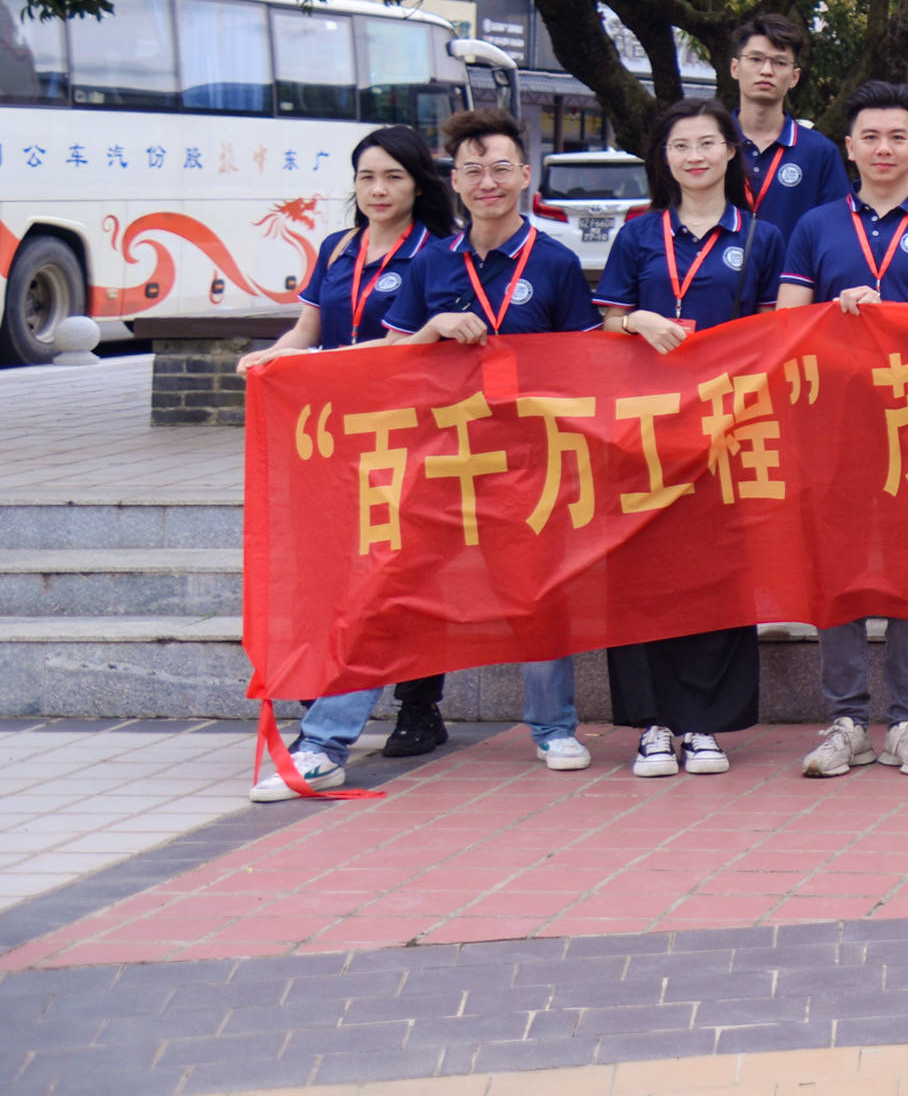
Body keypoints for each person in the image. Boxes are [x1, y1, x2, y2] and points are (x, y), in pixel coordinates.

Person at [775, 81, 908, 781]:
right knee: (836, 572)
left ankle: (907, 720)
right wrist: (833, 314)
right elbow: (785, 326)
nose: (883, 148)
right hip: (834, 425)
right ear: (850, 147)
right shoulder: (815, 225)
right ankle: (846, 720)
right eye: (870, 136)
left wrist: (891, 311)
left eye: (897, 136)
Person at [385, 108, 603, 772]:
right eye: (474, 169)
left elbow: (587, 364)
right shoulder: (430, 263)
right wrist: (430, 332)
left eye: (501, 167)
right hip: (443, 456)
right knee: (401, 583)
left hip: (530, 458)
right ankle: (330, 735)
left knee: (539, 592)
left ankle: (554, 726)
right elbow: (389, 361)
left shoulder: (557, 263)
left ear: (526, 176)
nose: (488, 181)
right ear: (454, 180)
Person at [246, 127, 458, 800]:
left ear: (419, 183)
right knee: (333, 576)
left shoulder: (437, 254)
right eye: (366, 177)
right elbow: (308, 332)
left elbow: (431, 348)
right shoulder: (337, 248)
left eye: (393, 176)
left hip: (406, 439)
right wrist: (271, 356)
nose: (378, 190)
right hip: (330, 440)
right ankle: (325, 711)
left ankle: (333, 735)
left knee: (380, 579)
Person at [588, 98, 787, 779]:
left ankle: (704, 723)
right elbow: (607, 323)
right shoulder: (638, 235)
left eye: (708, 142)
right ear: (663, 157)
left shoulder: (761, 235)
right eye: (680, 145)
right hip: (641, 427)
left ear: (732, 152)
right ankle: (651, 725)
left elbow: (773, 332)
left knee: (717, 573)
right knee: (641, 573)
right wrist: (640, 319)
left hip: (724, 427)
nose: (695, 155)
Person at [729, 12, 849, 244]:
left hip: (791, 280)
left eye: (779, 62)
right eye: (755, 59)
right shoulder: (711, 144)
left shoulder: (819, 152)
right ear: (735, 68)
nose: (766, 70)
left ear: (794, 77)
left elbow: (836, 233)